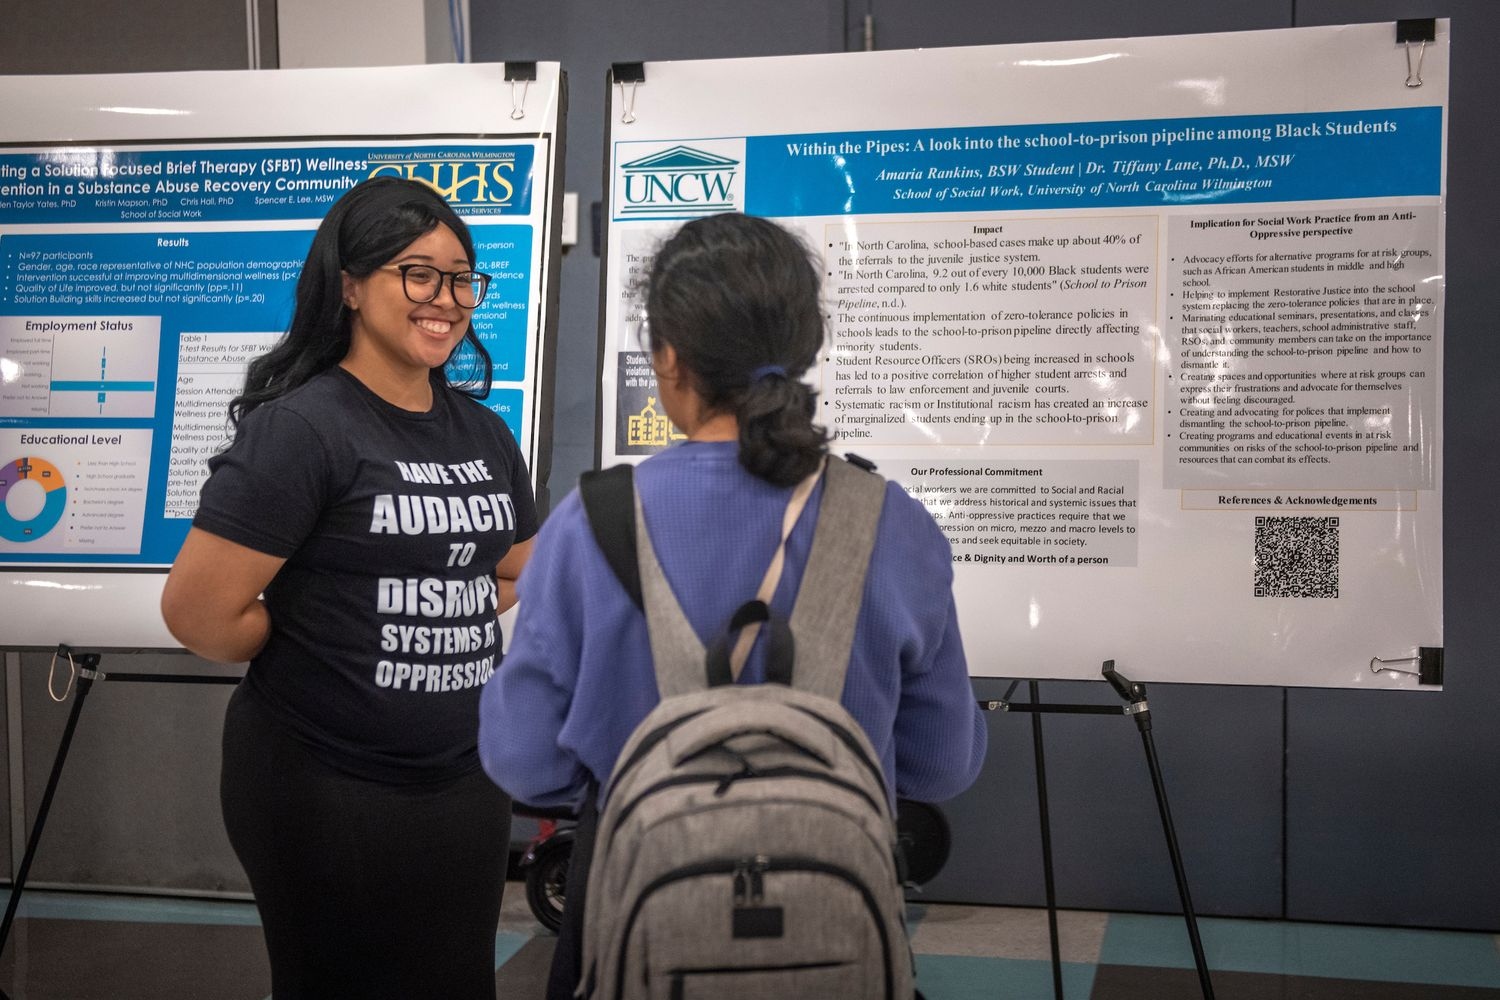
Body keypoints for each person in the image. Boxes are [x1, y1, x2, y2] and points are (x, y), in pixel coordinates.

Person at [477, 211, 986, 997]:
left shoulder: (593, 522)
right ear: (805, 351)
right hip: (836, 922)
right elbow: (944, 762)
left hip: (633, 919)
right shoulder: (890, 521)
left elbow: (525, 763)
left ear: (669, 357)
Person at [161, 176, 537, 1000]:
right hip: (322, 783)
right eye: (419, 273)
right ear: (352, 286)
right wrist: (307, 626)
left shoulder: (482, 429)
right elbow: (198, 612)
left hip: (464, 777)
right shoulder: (303, 428)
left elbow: (514, 564)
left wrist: (449, 600)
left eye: (462, 277)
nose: (447, 298)